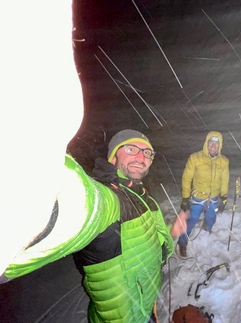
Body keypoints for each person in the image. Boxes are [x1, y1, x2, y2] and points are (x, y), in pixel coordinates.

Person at [0, 2, 187, 323]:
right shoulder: (108, 200)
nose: (142, 156)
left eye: (147, 153)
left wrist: (170, 234)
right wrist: (29, 180)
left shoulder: (146, 201)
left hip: (149, 311)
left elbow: (157, 251)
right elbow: (75, 209)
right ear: (113, 156)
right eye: (132, 149)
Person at [178, 131, 230, 257]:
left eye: (216, 144)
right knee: (192, 220)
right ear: (206, 143)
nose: (213, 146)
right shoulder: (195, 158)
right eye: (210, 143)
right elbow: (186, 178)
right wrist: (185, 198)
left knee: (211, 217)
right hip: (198, 197)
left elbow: (224, 180)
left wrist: (224, 197)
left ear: (220, 145)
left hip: (214, 197)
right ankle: (182, 242)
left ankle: (207, 230)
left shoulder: (223, 161)